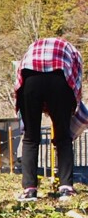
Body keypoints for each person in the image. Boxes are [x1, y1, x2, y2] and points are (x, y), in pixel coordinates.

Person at [14, 37, 88, 202]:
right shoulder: (71, 50)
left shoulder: (33, 47)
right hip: (59, 80)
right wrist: (73, 102)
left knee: (30, 137)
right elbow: (76, 79)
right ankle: (66, 188)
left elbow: (20, 71)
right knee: (63, 137)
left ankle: (29, 189)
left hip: (30, 80)